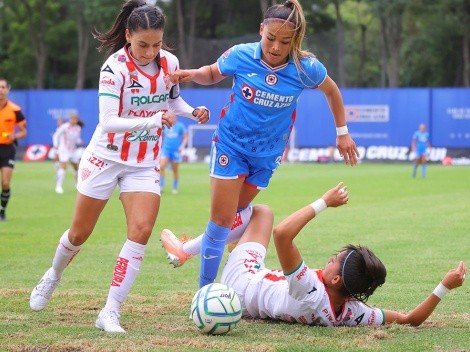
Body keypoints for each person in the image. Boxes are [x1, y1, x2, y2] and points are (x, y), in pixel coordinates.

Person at [29, 0, 209, 334]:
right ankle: (53, 276)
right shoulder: (115, 68)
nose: (150, 52)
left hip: (143, 162)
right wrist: (156, 119)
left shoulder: (169, 61)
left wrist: (191, 110)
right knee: (79, 233)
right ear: (128, 35)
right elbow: (108, 121)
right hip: (105, 158)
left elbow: (172, 100)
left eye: (156, 44)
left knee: (140, 231)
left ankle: (110, 311)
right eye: (143, 45)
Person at [165, 0, 359, 288]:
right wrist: (193, 74)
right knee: (221, 222)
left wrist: (342, 131)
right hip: (231, 146)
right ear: (260, 30)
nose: (276, 47)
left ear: (295, 40)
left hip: (267, 156)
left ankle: (186, 249)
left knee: (237, 216)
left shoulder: (306, 68)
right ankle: (204, 294)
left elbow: (331, 91)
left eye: (285, 41)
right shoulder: (242, 55)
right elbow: (213, 72)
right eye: (270, 38)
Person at [219, 183, 467, 326]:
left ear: (336, 280)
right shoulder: (350, 312)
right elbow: (410, 319)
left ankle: (191, 248)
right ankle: (236, 244)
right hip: (247, 303)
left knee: (262, 211)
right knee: (256, 221)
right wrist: (444, 287)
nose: (329, 259)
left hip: (240, 280)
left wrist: (324, 202)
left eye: (334, 260)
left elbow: (282, 233)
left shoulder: (309, 289)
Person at [0, 77, 27, 221]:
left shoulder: (15, 110)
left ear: (8, 90)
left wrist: (14, 136)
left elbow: (24, 132)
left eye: (3, 87)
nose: (1, 90)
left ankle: (2, 210)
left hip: (7, 149)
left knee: (5, 183)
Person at [52, 113, 84, 194]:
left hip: (73, 150)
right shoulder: (65, 127)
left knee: (76, 168)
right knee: (64, 166)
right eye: (72, 118)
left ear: (77, 120)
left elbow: (76, 138)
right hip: (64, 150)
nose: (73, 120)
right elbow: (56, 135)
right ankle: (58, 186)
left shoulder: (78, 128)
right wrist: (56, 145)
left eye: (75, 119)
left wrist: (79, 141)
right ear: (70, 119)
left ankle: (77, 185)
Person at [160, 116, 188, 194]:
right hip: (166, 149)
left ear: (175, 117)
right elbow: (160, 135)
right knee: (161, 166)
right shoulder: (165, 125)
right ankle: (161, 186)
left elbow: (186, 137)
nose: (171, 118)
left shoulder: (180, 126)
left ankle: (174, 188)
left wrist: (182, 146)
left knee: (175, 170)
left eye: (173, 117)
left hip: (175, 151)